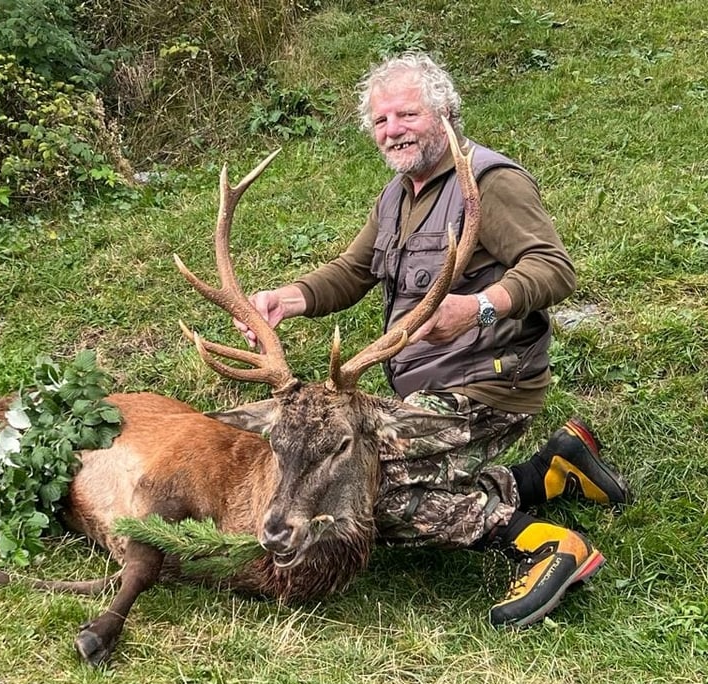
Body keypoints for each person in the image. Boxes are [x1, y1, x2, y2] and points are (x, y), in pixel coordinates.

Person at [235, 52, 630, 628]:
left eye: (406, 114)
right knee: (349, 463)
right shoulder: (397, 195)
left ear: (444, 112)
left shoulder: (490, 183)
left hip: (489, 383)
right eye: (380, 121)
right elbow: (354, 270)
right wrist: (287, 299)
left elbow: (554, 268)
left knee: (368, 493)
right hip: (420, 385)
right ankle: (550, 470)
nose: (392, 130)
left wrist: (478, 308)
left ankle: (545, 545)